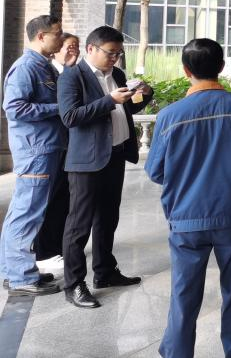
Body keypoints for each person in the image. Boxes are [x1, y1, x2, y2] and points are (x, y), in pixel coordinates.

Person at [146, 39, 231, 358]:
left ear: (185, 70)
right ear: (221, 67)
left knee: (183, 295)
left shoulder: (170, 116)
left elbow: (156, 171)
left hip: (186, 219)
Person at [57, 25, 153, 309]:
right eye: (110, 53)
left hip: (115, 155)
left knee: (108, 218)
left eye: (118, 53)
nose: (115, 58)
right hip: (86, 161)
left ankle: (105, 272)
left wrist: (144, 95)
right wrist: (109, 100)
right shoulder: (72, 76)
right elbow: (70, 117)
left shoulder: (118, 75)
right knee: (79, 225)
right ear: (91, 49)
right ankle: (74, 284)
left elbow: (125, 109)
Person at [0, 15, 66, 296]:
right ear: (41, 36)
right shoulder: (27, 67)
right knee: (27, 214)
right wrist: (59, 108)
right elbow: (14, 108)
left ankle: (13, 270)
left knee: (23, 212)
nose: (61, 38)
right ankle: (21, 278)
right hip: (36, 150)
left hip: (43, 148)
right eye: (57, 34)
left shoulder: (44, 65)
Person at [34, 33, 80, 273]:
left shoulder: (70, 72)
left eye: (77, 47)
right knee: (49, 200)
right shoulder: (47, 72)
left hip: (68, 145)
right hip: (49, 145)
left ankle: (58, 247)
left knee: (64, 199)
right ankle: (45, 252)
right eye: (69, 46)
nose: (74, 50)